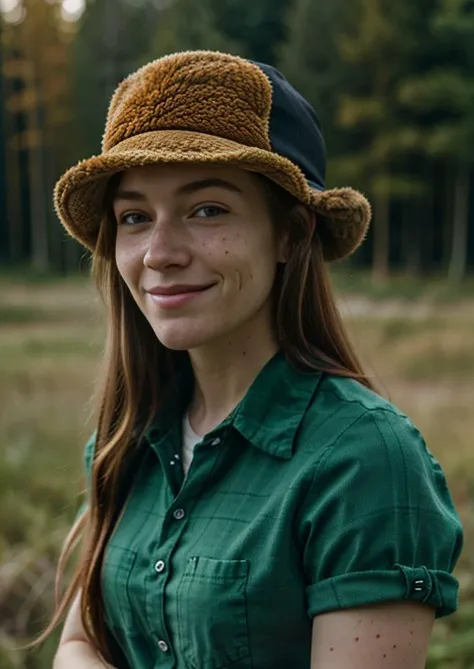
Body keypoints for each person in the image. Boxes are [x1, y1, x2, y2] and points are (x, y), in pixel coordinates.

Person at [45, 51, 462, 669]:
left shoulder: (364, 460)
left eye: (207, 209)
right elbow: (79, 644)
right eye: (135, 217)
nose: (159, 252)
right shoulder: (125, 439)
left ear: (291, 234)